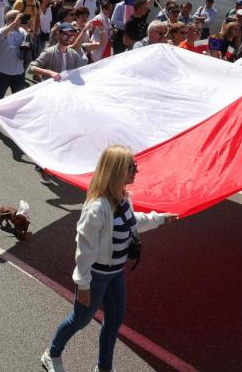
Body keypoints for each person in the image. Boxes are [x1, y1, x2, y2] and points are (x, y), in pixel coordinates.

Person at [41, 145, 176, 372]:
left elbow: (133, 221)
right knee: (80, 320)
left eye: (136, 166)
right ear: (115, 170)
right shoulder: (97, 208)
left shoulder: (123, 197)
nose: (137, 171)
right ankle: (51, 354)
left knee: (114, 322)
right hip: (95, 276)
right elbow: (84, 249)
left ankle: (104, 368)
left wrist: (160, 219)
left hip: (115, 274)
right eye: (132, 167)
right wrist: (83, 283)